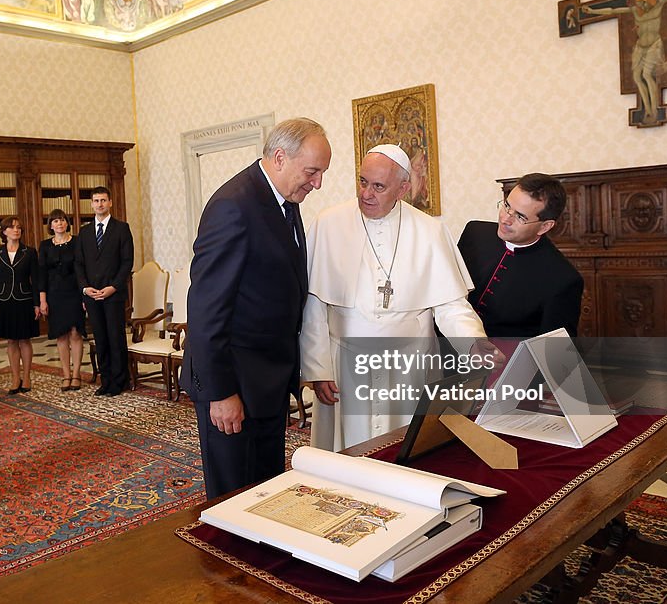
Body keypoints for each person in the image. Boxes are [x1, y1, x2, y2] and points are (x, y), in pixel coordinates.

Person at [300, 145, 495, 451]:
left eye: (378, 186)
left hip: (411, 366)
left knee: (409, 453)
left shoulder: (429, 231)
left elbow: (450, 304)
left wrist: (473, 340)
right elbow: (314, 304)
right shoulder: (328, 224)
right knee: (347, 454)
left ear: (403, 188)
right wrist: (318, 369)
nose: (366, 194)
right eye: (363, 182)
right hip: (347, 366)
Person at [181, 117, 332, 500]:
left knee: (265, 490)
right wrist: (221, 393)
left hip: (267, 383)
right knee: (234, 498)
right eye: (312, 172)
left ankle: (259, 560)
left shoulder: (283, 201)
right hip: (235, 384)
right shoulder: (234, 205)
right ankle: (227, 562)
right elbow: (206, 310)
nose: (318, 184)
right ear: (280, 157)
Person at [458, 173, 583, 338]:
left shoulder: (562, 279)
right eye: (507, 206)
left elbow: (554, 355)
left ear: (544, 226)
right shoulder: (474, 233)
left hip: (503, 359)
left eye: (520, 216)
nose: (505, 219)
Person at [75, 186, 134, 397]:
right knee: (100, 338)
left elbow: (127, 262)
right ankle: (105, 380)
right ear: (91, 204)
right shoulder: (84, 232)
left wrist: (113, 287)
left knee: (115, 337)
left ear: (110, 203)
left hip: (113, 294)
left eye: (103, 200)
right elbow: (79, 264)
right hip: (92, 295)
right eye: (96, 201)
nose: (99, 204)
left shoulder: (122, 229)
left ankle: (119, 381)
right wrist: (85, 288)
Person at [0, 216, 41, 394]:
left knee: (25, 339)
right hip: (3, 302)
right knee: (11, 340)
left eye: (19, 227)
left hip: (25, 300)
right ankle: (15, 377)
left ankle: (26, 377)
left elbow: (36, 280)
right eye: (12, 227)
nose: (16, 230)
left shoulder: (30, 252)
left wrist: (37, 304)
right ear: (4, 232)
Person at [38, 209, 88, 391]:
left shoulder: (77, 242)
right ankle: (66, 375)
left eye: (62, 220)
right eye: (55, 221)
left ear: (67, 223)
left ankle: (76, 374)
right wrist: (42, 300)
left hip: (74, 292)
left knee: (75, 332)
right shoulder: (44, 246)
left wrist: (85, 295)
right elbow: (41, 274)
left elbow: (83, 269)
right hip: (54, 294)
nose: (59, 223)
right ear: (50, 225)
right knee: (61, 334)